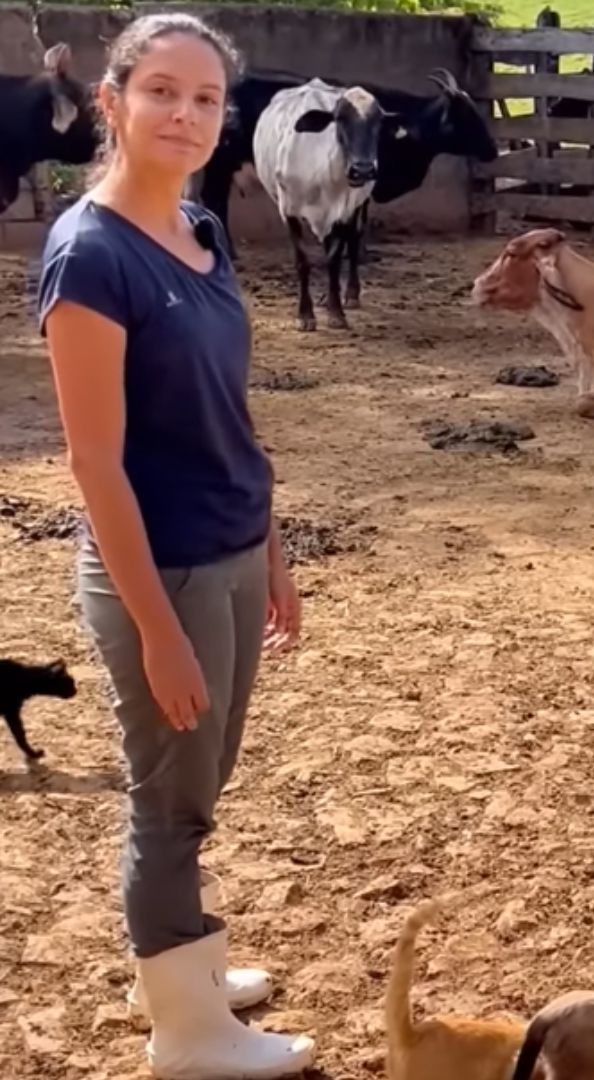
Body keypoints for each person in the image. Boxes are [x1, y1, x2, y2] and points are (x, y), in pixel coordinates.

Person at [37, 13, 316, 1079]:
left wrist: (273, 549)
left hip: (232, 549)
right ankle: (189, 1035)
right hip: (165, 571)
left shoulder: (199, 229)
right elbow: (96, 465)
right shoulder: (90, 255)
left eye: (205, 99)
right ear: (113, 104)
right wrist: (156, 628)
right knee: (169, 799)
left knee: (201, 780)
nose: (185, 113)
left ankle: (184, 959)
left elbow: (226, 411)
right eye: (161, 90)